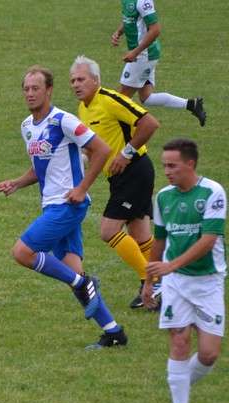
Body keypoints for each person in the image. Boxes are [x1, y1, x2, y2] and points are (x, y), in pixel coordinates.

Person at [0, 66, 128, 349]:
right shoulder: (27, 126)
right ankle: (113, 332)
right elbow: (40, 167)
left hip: (68, 206)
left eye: (36, 88)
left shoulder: (63, 120)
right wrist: (17, 183)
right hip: (52, 207)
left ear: (49, 90)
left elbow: (102, 150)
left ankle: (83, 283)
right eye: (26, 89)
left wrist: (83, 188)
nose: (30, 93)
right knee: (71, 271)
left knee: (22, 253)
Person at [139, 138, 225, 403]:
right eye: (164, 166)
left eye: (172, 166)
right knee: (179, 343)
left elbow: (208, 241)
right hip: (176, 283)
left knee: (209, 355)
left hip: (208, 281)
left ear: (190, 164)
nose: (166, 172)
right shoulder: (164, 196)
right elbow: (160, 240)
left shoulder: (213, 193)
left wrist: (169, 266)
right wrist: (149, 280)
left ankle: (177, 383)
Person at [71, 55, 162, 309]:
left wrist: (126, 153)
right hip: (121, 177)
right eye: (73, 81)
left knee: (108, 231)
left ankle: (151, 281)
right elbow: (92, 147)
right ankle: (163, 283)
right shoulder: (83, 109)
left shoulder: (111, 100)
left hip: (134, 171)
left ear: (96, 80)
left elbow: (150, 123)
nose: (76, 84)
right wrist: (78, 163)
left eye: (81, 79)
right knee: (140, 234)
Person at [111, 0, 205, 126]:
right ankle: (192, 104)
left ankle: (125, 129)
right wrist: (118, 32)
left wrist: (135, 52)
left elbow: (156, 30)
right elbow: (129, 19)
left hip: (143, 56)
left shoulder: (142, 1)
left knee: (122, 97)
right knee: (146, 98)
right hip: (144, 55)